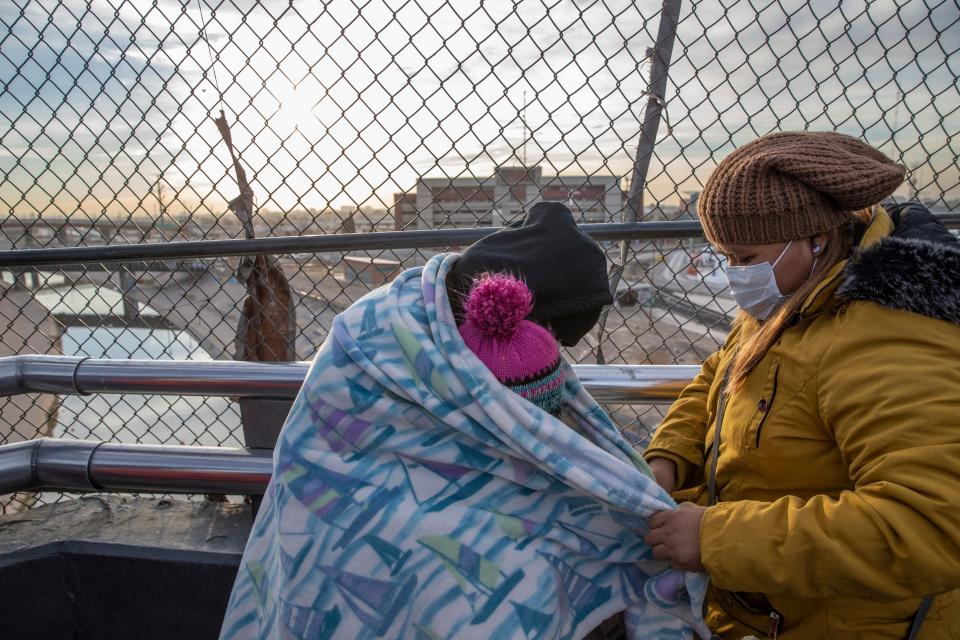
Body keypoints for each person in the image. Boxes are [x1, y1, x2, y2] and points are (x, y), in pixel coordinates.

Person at [220, 202, 713, 639]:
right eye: (557, 337)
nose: (563, 354)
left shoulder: (436, 332)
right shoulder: (380, 340)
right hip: (336, 522)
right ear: (513, 321)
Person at [642, 131, 960, 638]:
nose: (734, 274)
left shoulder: (890, 334)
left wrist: (714, 540)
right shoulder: (792, 296)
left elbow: (929, 527)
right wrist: (667, 460)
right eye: (725, 256)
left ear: (814, 238)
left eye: (744, 257)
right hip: (766, 609)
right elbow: (718, 378)